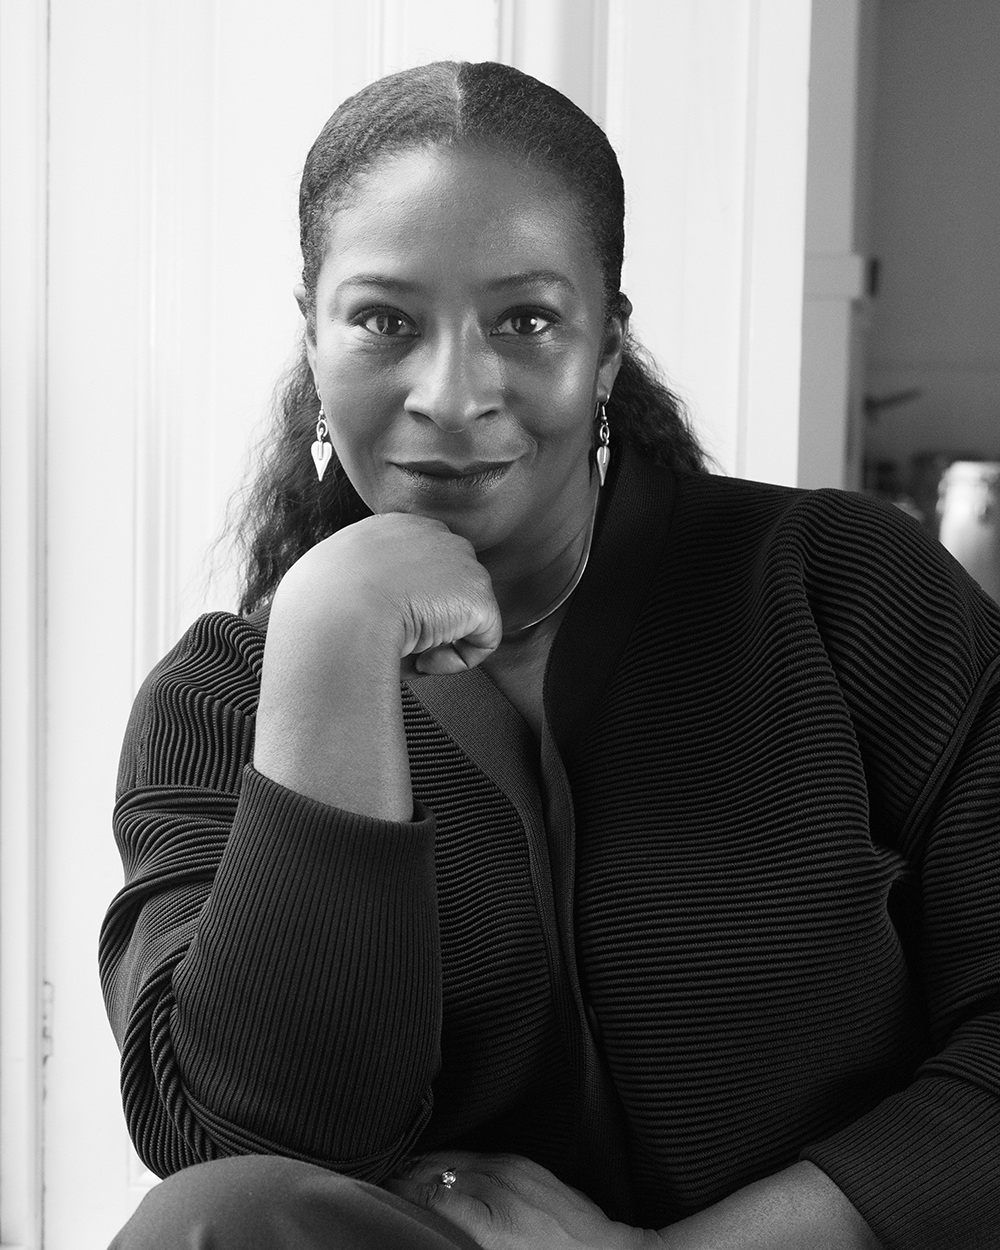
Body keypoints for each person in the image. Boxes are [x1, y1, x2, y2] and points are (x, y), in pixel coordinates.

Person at [101, 61, 1000, 1250]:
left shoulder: (840, 586)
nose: (451, 393)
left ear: (606, 346)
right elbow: (249, 1146)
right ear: (312, 340)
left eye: (524, 320)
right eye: (383, 321)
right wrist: (329, 638)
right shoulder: (218, 702)